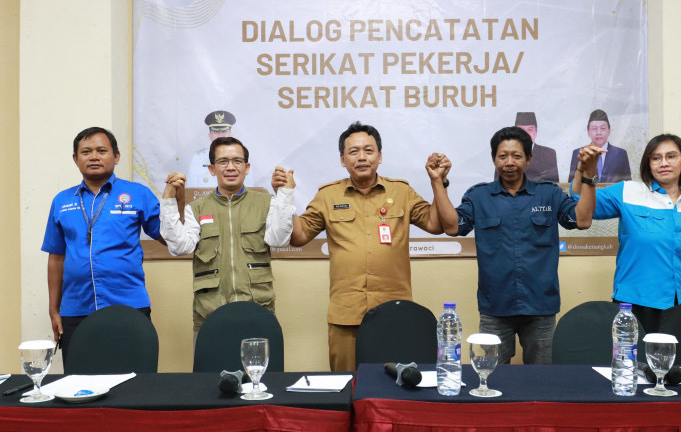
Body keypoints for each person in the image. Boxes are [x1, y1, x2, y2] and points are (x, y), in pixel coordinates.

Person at [429, 126, 601, 365]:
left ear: (528, 159)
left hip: (540, 307)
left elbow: (582, 221)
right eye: (503, 156)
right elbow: (452, 227)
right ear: (494, 159)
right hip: (495, 308)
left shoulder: (549, 194)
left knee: (543, 378)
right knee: (491, 376)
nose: (509, 162)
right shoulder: (479, 196)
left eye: (517, 156)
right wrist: (437, 182)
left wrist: (589, 176)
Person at [283, 121, 442, 371]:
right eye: (353, 151)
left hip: (394, 310)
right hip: (346, 314)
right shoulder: (327, 195)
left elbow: (435, 224)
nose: (361, 157)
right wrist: (286, 196)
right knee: (347, 382)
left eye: (368, 150)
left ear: (380, 156)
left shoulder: (401, 192)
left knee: (395, 383)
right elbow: (298, 236)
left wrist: (438, 183)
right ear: (342, 159)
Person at [570, 133, 681, 332]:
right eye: (656, 158)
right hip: (635, 307)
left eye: (671, 156)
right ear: (648, 164)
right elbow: (579, 197)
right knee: (634, 354)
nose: (663, 163)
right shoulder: (628, 192)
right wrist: (583, 168)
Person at [42, 127, 163, 364]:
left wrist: (174, 201)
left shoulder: (138, 194)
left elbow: (168, 237)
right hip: (76, 309)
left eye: (101, 150)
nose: (94, 157)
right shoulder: (62, 201)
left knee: (135, 378)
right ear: (76, 159)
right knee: (79, 379)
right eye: (86, 152)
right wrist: (54, 310)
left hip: (129, 305)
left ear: (116, 156)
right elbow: (56, 258)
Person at [160, 137, 295, 335]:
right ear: (212, 169)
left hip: (258, 313)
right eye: (223, 161)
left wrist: (285, 194)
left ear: (246, 168)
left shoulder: (266, 203)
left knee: (259, 357)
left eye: (237, 161)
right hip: (210, 316)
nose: (231, 167)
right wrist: (168, 201)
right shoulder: (196, 208)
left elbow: (279, 239)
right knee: (210, 357)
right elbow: (179, 247)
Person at [186, 110, 255, 188]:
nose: (220, 135)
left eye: (224, 131)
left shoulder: (242, 156)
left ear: (231, 134)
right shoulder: (198, 158)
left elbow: (249, 189)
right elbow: (191, 189)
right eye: (216, 132)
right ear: (210, 136)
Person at [567, 109, 631, 183]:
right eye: (594, 128)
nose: (598, 132)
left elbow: (628, 185)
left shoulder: (620, 154)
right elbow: (571, 185)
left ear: (609, 131)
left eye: (603, 128)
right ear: (588, 132)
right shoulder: (579, 153)